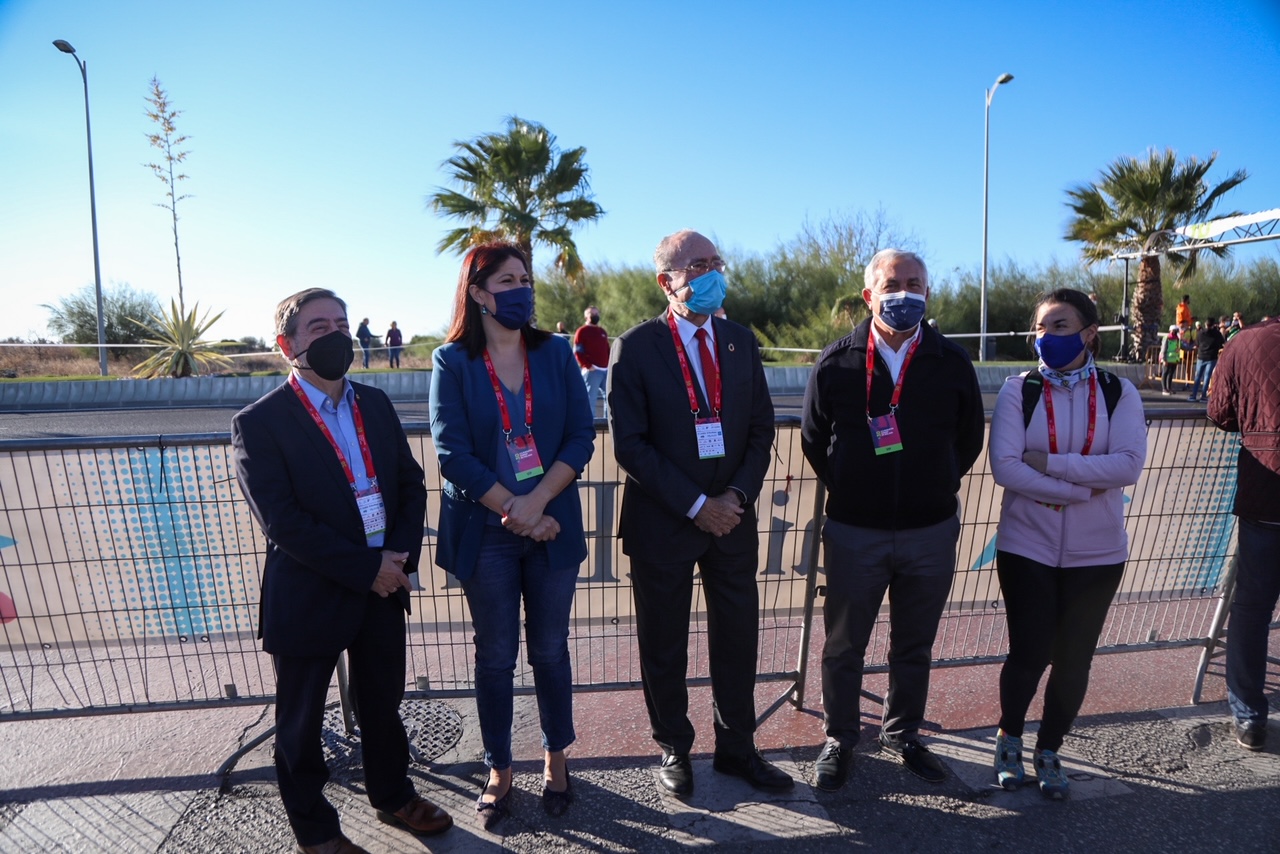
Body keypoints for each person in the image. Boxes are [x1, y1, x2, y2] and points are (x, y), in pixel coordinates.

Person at [232, 288, 452, 854]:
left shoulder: (374, 404)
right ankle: (315, 830)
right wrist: (367, 568)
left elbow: (407, 485)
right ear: (288, 346)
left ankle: (393, 795)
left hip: (384, 585)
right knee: (300, 724)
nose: (335, 335)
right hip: (311, 593)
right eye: (318, 327)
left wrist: (396, 559)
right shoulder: (259, 424)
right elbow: (283, 522)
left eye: (342, 323)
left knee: (383, 703)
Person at [608, 229, 789, 799]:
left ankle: (738, 748)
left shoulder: (739, 339)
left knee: (737, 639)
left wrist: (734, 497)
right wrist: (695, 505)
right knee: (664, 643)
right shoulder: (634, 348)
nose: (711, 273)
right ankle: (674, 747)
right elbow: (630, 444)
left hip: (732, 521)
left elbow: (762, 428)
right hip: (665, 523)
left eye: (716, 261)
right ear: (668, 282)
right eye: (697, 266)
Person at [800, 249, 984, 791]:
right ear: (869, 294)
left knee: (914, 642)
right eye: (892, 283)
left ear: (928, 291)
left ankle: (902, 732)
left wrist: (936, 479)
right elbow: (814, 440)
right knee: (843, 643)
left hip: (931, 530)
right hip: (856, 532)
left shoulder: (951, 363)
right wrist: (855, 486)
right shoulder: (836, 362)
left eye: (914, 283)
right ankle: (840, 736)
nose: (903, 292)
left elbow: (969, 440)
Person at [429, 243, 595, 829]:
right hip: (488, 529)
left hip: (550, 520)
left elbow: (580, 435)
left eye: (526, 278)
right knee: (496, 656)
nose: (522, 289)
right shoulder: (451, 361)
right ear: (478, 293)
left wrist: (537, 502)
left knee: (550, 649)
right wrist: (514, 510)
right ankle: (499, 768)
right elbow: (452, 453)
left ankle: (556, 758)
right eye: (508, 280)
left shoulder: (555, 354)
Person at [988, 288, 1147, 799]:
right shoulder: (1020, 390)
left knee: (1074, 658)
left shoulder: (1120, 393)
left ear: (1089, 333)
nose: (1047, 337)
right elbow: (1006, 467)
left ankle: (1050, 748)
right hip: (1025, 545)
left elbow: (1127, 465)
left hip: (1098, 553)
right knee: (1030, 652)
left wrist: (1052, 466)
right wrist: (1083, 489)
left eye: (1060, 326)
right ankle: (1010, 738)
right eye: (1040, 327)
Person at [1207, 316, 1280, 752]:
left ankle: (1250, 715)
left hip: (1266, 494)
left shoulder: (1244, 342)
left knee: (1252, 609)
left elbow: (1220, 412)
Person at [573, 306, 610, 418]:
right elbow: (577, 352)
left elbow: (607, 349)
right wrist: (587, 365)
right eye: (592, 314)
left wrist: (609, 365)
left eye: (596, 313)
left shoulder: (602, 331)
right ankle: (590, 428)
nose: (595, 316)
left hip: (606, 370)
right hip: (592, 371)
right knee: (590, 399)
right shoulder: (582, 331)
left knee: (610, 399)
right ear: (586, 316)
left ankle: (608, 426)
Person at [1188, 317, 1224, 403]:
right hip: (1211, 357)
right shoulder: (1217, 334)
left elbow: (1197, 344)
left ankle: (1193, 395)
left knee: (1198, 377)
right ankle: (1203, 396)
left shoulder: (1201, 333)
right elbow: (1221, 343)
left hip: (1201, 356)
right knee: (1207, 377)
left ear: (1205, 324)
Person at [1160, 325, 1182, 395]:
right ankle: (1164, 389)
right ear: (1170, 330)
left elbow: (1179, 347)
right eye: (1174, 330)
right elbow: (1163, 349)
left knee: (1171, 374)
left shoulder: (1177, 338)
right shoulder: (1167, 338)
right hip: (1167, 359)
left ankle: (1169, 388)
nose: (1175, 332)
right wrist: (1163, 359)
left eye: (1176, 331)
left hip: (1174, 359)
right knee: (1165, 373)